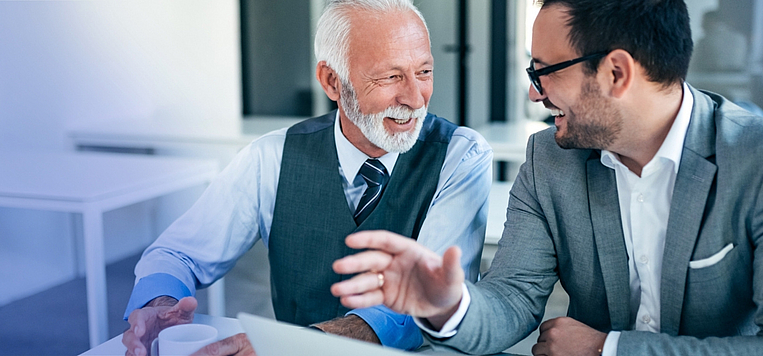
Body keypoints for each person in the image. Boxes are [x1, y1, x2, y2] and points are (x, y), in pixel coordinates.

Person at [329, 0, 763, 355]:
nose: (534, 93)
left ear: (616, 74)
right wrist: (450, 305)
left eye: (544, 70)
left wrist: (608, 349)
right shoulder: (550, 159)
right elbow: (512, 298)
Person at [119, 1, 492, 355]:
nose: (415, 97)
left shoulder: (460, 157)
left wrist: (305, 345)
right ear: (332, 81)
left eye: (424, 72)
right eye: (391, 76)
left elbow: (433, 299)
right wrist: (160, 304)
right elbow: (177, 253)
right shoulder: (272, 157)